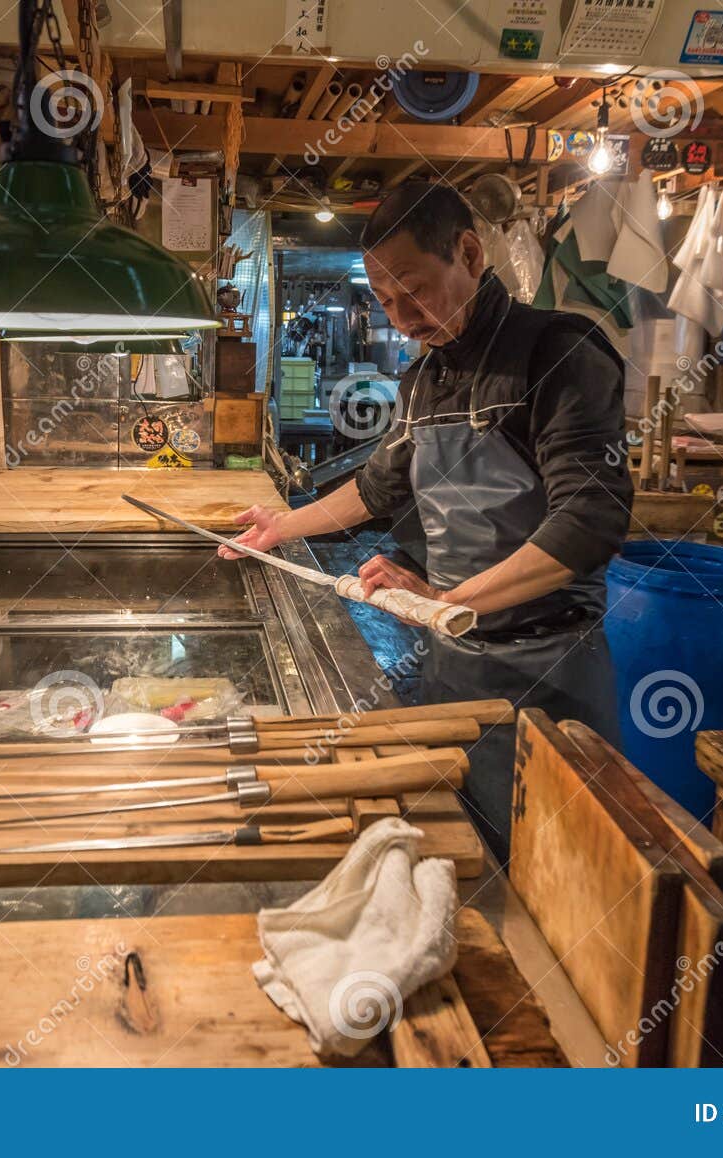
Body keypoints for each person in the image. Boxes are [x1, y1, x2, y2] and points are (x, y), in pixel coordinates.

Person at [222, 183, 633, 860]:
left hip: (549, 675)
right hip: (452, 667)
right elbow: (379, 487)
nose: (403, 316)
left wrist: (447, 600)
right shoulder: (423, 382)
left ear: (469, 253)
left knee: (553, 865)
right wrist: (281, 526)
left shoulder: (558, 351)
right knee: (462, 853)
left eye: (414, 290)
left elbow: (591, 518)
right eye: (385, 301)